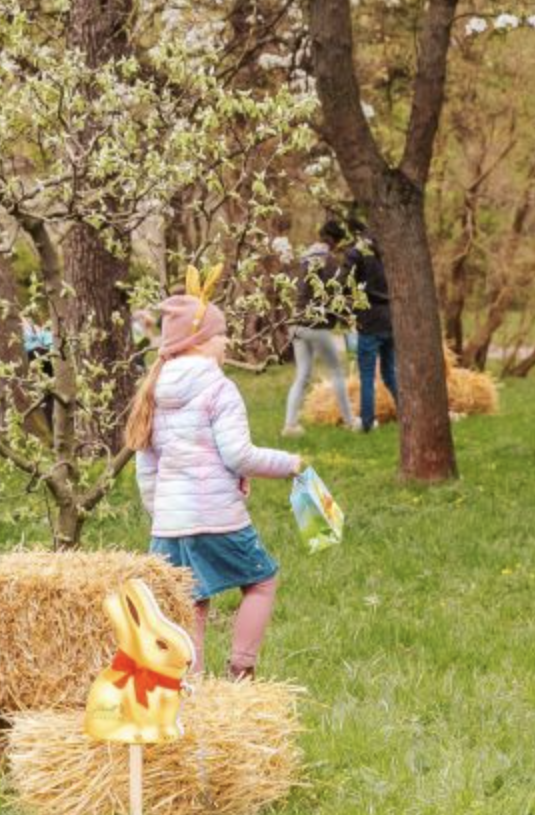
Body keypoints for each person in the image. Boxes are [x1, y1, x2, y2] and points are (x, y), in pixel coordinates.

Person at [126, 277, 302, 681]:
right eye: (221, 335)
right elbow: (238, 454)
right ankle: (242, 670)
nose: (226, 343)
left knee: (191, 600)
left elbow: (146, 469)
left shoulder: (152, 390)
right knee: (262, 579)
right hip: (216, 517)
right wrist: (290, 463)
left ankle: (193, 685)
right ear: (200, 341)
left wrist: (163, 514)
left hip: (169, 525)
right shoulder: (219, 388)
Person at [282, 221, 358, 436]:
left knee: (302, 374)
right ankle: (350, 421)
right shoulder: (329, 262)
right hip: (316, 325)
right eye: (338, 242)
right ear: (333, 240)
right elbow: (336, 294)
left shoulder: (305, 258)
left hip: (297, 323)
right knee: (336, 371)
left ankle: (290, 425)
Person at [345, 225, 398, 431]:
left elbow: (346, 280)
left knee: (367, 375)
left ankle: (367, 422)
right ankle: (407, 412)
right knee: (389, 373)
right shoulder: (387, 255)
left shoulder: (358, 255)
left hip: (369, 320)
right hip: (389, 318)